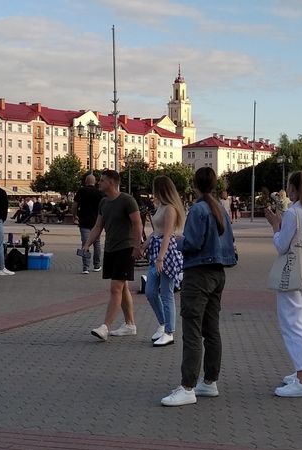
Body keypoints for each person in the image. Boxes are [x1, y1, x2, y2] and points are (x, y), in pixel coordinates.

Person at [160, 167, 237, 407]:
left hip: (199, 274)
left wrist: (178, 241)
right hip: (218, 273)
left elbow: (193, 242)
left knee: (192, 328)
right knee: (211, 329)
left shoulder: (199, 209)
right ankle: (210, 381)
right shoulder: (220, 209)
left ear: (194, 184)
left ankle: (187, 386)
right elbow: (230, 240)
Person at [265, 170, 302, 398]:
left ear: (295, 188)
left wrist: (275, 226)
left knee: (293, 322)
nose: (286, 189)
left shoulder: (293, 213)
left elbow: (281, 245)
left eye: (289, 185)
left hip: (293, 269)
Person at [83, 170, 143, 341]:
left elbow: (138, 223)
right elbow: (97, 226)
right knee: (122, 287)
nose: (98, 183)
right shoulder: (103, 202)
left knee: (116, 287)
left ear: (110, 182)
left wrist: (137, 246)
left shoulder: (127, 200)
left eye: (101, 181)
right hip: (110, 249)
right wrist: (87, 244)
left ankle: (105, 327)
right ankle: (130, 324)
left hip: (125, 249)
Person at [145, 175, 185, 347]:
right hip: (156, 251)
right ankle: (163, 324)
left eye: (155, 188)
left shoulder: (170, 209)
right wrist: (143, 245)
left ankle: (169, 331)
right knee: (150, 291)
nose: (153, 191)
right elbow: (156, 232)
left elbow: (168, 234)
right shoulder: (161, 206)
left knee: (166, 293)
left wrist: (161, 257)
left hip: (166, 254)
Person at [73, 172, 103, 275]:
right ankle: (97, 265)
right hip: (96, 223)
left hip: (84, 222)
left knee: (85, 243)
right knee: (97, 243)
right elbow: (103, 207)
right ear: (95, 182)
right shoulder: (99, 192)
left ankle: (85, 268)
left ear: (86, 182)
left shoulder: (81, 191)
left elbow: (75, 205)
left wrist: (75, 216)